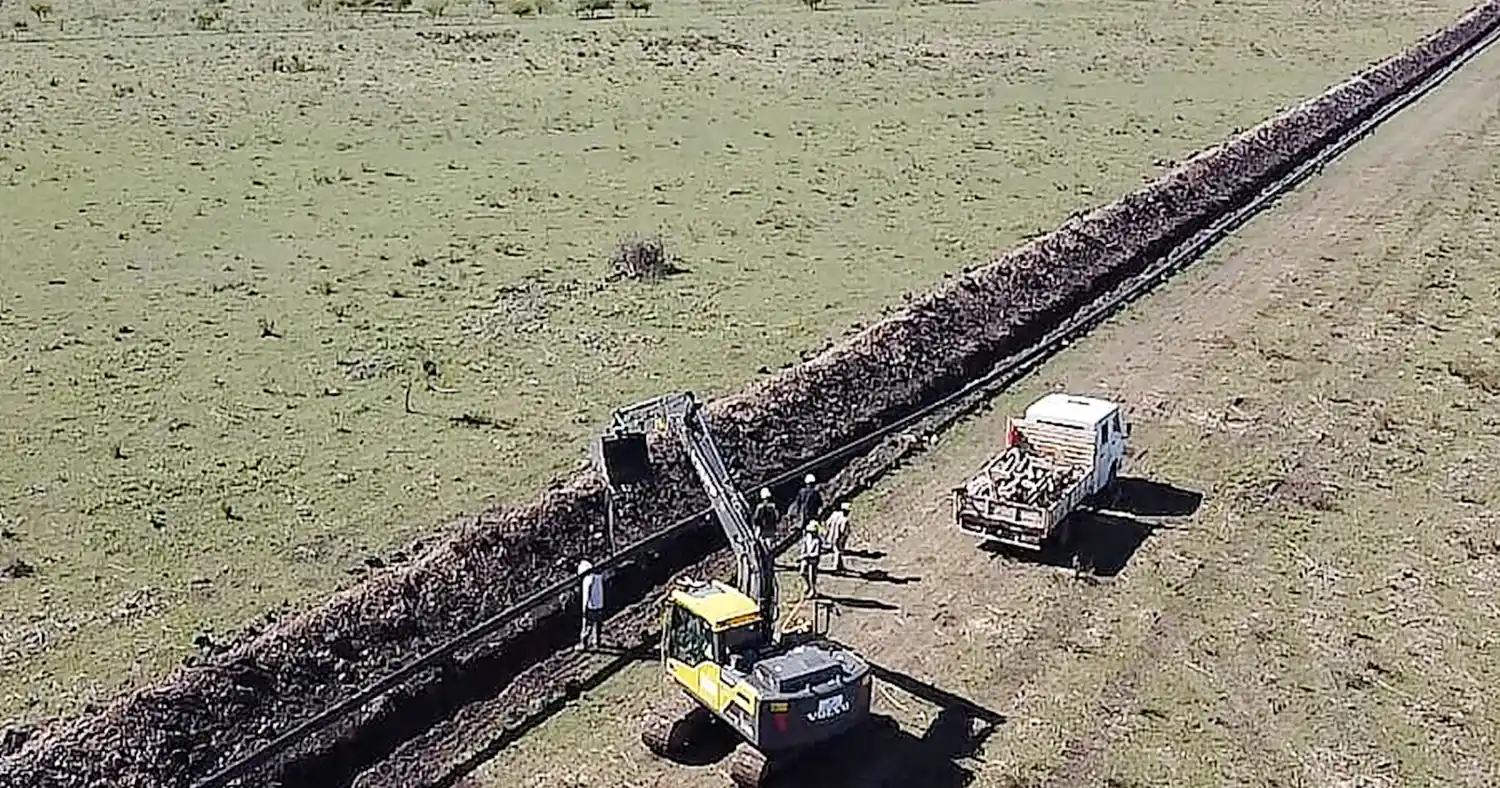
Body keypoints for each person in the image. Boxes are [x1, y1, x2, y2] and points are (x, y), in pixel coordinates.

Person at [578, 559, 604, 651]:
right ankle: (596, 642)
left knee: (587, 626)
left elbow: (586, 595)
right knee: (597, 625)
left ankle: (583, 643)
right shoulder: (599, 577)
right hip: (600, 604)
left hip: (591, 606)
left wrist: (584, 608)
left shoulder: (587, 580)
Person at [824, 501, 851, 573]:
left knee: (837, 550)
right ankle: (836, 567)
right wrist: (844, 537)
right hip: (838, 537)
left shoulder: (834, 514)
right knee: (838, 551)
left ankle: (840, 565)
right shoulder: (844, 520)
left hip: (832, 535)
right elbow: (843, 531)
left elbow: (827, 523)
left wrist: (828, 531)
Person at [799, 521, 823, 598]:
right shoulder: (807, 538)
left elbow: (816, 553)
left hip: (813, 560)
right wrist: (803, 555)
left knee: (812, 575)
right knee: (803, 572)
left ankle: (813, 590)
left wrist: (807, 556)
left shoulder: (818, 541)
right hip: (806, 559)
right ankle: (808, 585)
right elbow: (804, 547)